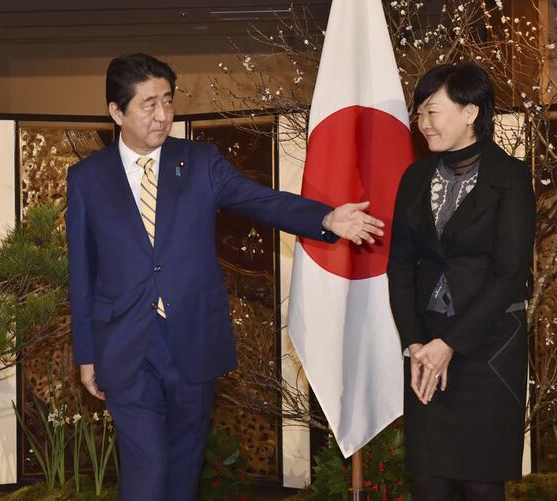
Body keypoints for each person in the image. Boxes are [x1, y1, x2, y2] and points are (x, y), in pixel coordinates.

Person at [67, 53, 384, 501]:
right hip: (125, 344)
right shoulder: (86, 178)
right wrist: (86, 353)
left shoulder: (200, 162)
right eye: (148, 105)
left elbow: (262, 201)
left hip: (192, 339)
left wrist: (327, 218)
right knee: (147, 469)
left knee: (182, 469)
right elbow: (81, 273)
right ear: (117, 112)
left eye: (168, 101)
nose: (162, 116)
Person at [388, 63, 534, 500]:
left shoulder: (509, 177)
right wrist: (415, 342)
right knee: (428, 480)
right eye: (419, 113)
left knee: (480, 483)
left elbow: (510, 274)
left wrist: (449, 344)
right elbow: (400, 266)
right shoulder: (414, 178)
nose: (423, 122)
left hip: (488, 349)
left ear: (470, 113)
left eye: (433, 111)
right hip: (426, 350)